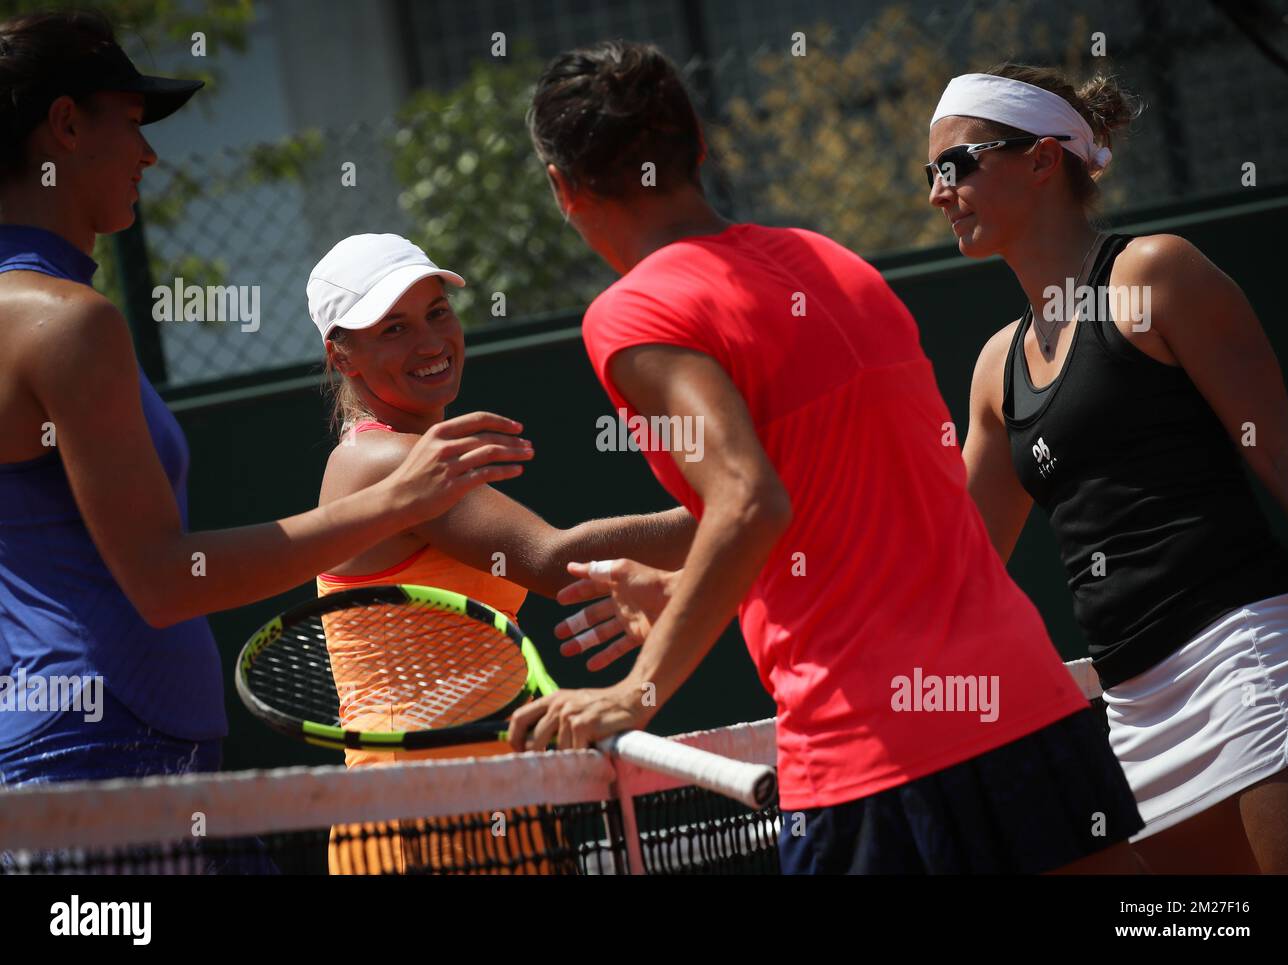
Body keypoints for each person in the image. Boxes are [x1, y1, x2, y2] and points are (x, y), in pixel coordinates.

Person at [507, 39, 1144, 874]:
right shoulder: (833, 264)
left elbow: (750, 501)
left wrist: (639, 689)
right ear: (699, 146)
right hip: (1028, 707)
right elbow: (838, 498)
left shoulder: (633, 315)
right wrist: (680, 587)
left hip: (872, 767)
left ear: (563, 188)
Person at [0, 10, 529, 790]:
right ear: (67, 126)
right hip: (108, 749)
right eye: (134, 124)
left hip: (82, 743)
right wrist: (397, 498)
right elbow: (164, 579)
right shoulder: (67, 322)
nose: (148, 154)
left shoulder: (44, 313)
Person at [927, 64, 1288, 873]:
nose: (936, 192)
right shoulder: (997, 368)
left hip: (1251, 661)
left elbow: (1282, 453)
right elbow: (952, 565)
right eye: (930, 175)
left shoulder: (1156, 274)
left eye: (954, 164)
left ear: (1040, 159)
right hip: (1131, 709)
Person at [307, 232, 697, 873]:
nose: (431, 342)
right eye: (394, 329)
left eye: (437, 313)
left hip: (500, 804)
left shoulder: (420, 455)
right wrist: (734, 506)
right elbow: (552, 560)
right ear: (342, 358)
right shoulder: (380, 461)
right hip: (415, 821)